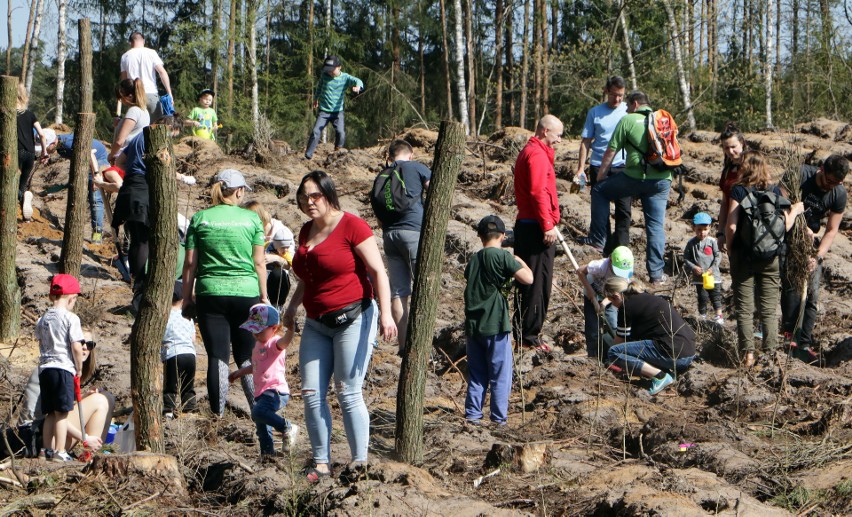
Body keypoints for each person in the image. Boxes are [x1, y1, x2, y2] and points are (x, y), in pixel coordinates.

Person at [282, 170, 396, 482]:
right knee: (310, 392)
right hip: (317, 323)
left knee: (347, 391)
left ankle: (360, 462)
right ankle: (321, 463)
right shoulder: (305, 232)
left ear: (329, 194)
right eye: (304, 196)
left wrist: (386, 315)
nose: (309, 201)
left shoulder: (352, 225)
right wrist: (291, 308)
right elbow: (308, 278)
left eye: (315, 195)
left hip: (354, 318)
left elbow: (378, 272)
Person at [182, 169, 269, 416]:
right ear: (239, 191)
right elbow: (259, 262)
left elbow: (190, 264)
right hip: (247, 293)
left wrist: (188, 298)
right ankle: (260, 414)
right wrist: (263, 296)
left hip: (211, 294)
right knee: (247, 355)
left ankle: (217, 417)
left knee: (217, 356)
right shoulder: (252, 220)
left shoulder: (199, 219)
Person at [725, 151, 803, 368]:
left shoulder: (739, 190)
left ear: (745, 167)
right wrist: (795, 211)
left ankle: (748, 355)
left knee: (745, 308)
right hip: (771, 257)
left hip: (743, 256)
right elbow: (785, 226)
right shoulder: (776, 191)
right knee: (768, 309)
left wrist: (730, 249)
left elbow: (731, 225)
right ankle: (770, 355)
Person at [587, 90, 673, 285]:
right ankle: (657, 275)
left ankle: (598, 243)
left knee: (600, 191)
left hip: (635, 176)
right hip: (662, 179)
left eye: (627, 104)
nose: (625, 107)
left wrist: (600, 177)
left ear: (635, 103)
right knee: (655, 225)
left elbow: (611, 151)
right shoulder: (663, 119)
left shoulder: (627, 120)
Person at [464, 216, 532, 425]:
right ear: (503, 236)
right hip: (496, 324)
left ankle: (473, 416)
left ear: (480, 236)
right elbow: (528, 279)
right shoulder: (503, 257)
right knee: (500, 374)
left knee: (476, 374)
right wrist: (520, 262)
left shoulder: (474, 260)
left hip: (474, 326)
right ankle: (498, 419)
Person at [779, 154, 848, 361]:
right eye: (829, 181)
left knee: (812, 295)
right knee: (792, 288)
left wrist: (816, 257)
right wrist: (799, 222)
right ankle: (788, 335)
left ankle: (805, 342)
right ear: (821, 170)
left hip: (813, 243)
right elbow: (779, 206)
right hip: (789, 237)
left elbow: (832, 230)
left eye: (837, 183)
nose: (830, 186)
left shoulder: (839, 193)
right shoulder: (800, 174)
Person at [512, 114, 564, 352]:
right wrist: (547, 224)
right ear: (545, 132)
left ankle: (524, 332)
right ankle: (529, 336)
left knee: (528, 281)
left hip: (528, 224)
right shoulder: (537, 154)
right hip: (535, 227)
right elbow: (537, 192)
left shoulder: (531, 153)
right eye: (558, 135)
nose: (560, 141)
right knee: (537, 283)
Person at [20, 329, 113, 459]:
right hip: (37, 438)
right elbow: (54, 415)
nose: (85, 347)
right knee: (100, 401)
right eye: (81, 342)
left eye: (90, 344)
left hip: (52, 432)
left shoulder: (68, 370)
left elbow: (61, 409)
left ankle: (93, 454)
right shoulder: (55, 370)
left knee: (108, 398)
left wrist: (85, 397)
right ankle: (90, 455)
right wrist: (85, 438)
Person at [377, 139, 431, 353]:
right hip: (413, 232)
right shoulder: (416, 167)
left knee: (399, 291)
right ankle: (421, 346)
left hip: (389, 235)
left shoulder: (382, 175)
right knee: (423, 286)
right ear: (411, 154)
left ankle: (403, 346)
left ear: (390, 156)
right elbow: (434, 190)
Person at [229, 304, 299, 458]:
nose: (255, 334)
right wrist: (240, 372)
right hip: (261, 392)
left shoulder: (274, 343)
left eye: (259, 330)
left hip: (275, 391)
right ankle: (267, 455)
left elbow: (285, 342)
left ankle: (287, 427)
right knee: (261, 425)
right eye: (253, 330)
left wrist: (291, 329)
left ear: (273, 328)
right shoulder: (258, 345)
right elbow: (256, 366)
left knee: (258, 412)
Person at [604, 277, 697, 395]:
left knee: (614, 353)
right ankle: (668, 372)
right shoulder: (649, 298)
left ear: (616, 296)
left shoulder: (626, 306)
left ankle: (660, 376)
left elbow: (619, 343)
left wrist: (611, 361)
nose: (614, 306)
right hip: (688, 353)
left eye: (612, 302)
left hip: (673, 355)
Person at [575, 76, 631, 255]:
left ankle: (622, 248)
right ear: (607, 91)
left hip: (622, 165)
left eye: (621, 95)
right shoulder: (595, 113)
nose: (618, 99)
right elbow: (586, 141)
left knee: (624, 209)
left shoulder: (628, 111)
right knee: (601, 208)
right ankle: (603, 245)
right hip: (599, 166)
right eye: (614, 95)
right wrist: (580, 168)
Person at [35, 274, 85, 462]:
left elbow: (40, 341)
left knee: (49, 412)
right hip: (63, 368)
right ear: (71, 298)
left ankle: (45, 450)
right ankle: (60, 451)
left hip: (45, 369)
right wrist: (78, 368)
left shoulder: (42, 319)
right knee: (62, 413)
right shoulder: (71, 318)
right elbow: (76, 347)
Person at [44, 129, 107, 243]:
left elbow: (90, 154)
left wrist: (96, 177)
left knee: (95, 198)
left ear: (53, 143)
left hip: (97, 159)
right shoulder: (60, 147)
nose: (44, 150)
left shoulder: (68, 144)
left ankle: (97, 234)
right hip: (86, 161)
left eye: (46, 147)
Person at [577, 246, 634, 360]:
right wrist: (591, 292)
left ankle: (615, 354)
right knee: (592, 327)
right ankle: (593, 356)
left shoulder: (626, 275)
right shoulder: (600, 266)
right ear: (610, 261)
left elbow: (617, 294)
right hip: (592, 293)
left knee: (613, 324)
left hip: (612, 297)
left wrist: (603, 303)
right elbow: (580, 271)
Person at [304, 55, 363, 160]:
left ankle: (338, 150)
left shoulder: (345, 78)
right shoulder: (324, 76)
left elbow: (358, 80)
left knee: (341, 132)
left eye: (332, 70)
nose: (330, 72)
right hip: (324, 111)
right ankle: (308, 153)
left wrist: (358, 87)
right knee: (316, 131)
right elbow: (319, 88)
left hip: (337, 113)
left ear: (339, 67)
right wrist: (316, 99)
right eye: (328, 70)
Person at [243, 200, 295, 308]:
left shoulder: (281, 232)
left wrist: (276, 258)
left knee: (278, 273)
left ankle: (276, 308)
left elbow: (290, 264)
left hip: (275, 280)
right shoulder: (248, 233)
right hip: (255, 275)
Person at [162, 280, 197, 418]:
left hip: (173, 354)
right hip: (190, 354)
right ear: (183, 298)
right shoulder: (187, 315)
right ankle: (189, 409)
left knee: (171, 384)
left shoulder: (164, 316)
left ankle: (168, 410)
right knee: (188, 384)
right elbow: (193, 338)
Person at [119, 31, 173, 121]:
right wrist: (169, 93)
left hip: (134, 96)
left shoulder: (125, 56)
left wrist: (125, 97)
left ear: (130, 42)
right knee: (156, 127)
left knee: (136, 128)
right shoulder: (151, 53)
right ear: (143, 41)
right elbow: (162, 72)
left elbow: (124, 81)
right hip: (151, 94)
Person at [16, 83, 50, 221]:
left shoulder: (6, 113)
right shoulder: (30, 114)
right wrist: (44, 152)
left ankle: (17, 205)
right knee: (22, 183)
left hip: (15, 151)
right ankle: (25, 205)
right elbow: (42, 135)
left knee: (10, 183)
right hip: (30, 154)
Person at [683, 212, 724, 324]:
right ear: (694, 228)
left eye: (705, 229)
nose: (702, 233)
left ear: (710, 228)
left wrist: (713, 268)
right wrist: (694, 267)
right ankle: (702, 316)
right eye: (699, 230)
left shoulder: (712, 242)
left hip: (713, 276)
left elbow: (718, 256)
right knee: (702, 297)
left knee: (715, 296)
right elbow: (686, 258)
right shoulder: (691, 243)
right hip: (699, 277)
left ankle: (719, 315)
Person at [716, 122, 747, 253]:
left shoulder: (753, 168)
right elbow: (724, 203)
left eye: (734, 147)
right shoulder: (728, 171)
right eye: (726, 148)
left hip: (750, 227)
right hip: (731, 229)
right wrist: (721, 232)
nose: (730, 151)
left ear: (742, 143)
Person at [109, 79, 151, 165]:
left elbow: (119, 141)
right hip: (135, 154)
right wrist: (120, 123)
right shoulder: (144, 111)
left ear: (130, 96)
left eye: (122, 97)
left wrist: (111, 155)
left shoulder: (133, 111)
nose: (121, 101)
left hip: (124, 156)